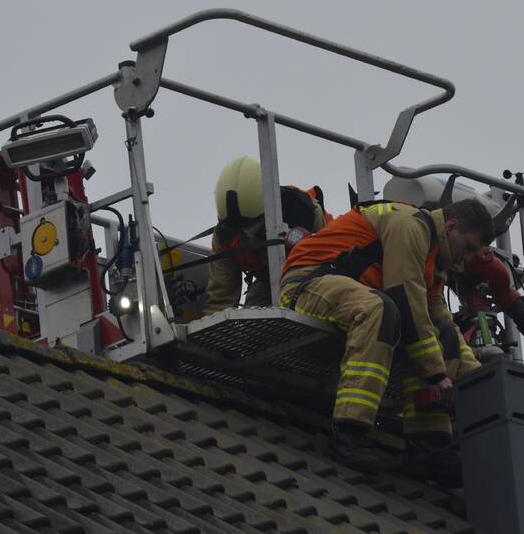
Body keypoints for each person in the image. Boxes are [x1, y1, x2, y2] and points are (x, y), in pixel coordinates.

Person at [278, 197, 496, 485]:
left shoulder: (434, 257)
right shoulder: (411, 226)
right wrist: (437, 374)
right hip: (309, 283)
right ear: (452, 226)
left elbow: (441, 325)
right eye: (467, 247)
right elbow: (404, 297)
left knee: (440, 333)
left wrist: (481, 386)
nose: (467, 258)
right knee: (381, 310)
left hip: (355, 294)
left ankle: (427, 448)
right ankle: (349, 434)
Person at [202, 156, 330, 315]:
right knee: (255, 305)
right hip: (269, 279)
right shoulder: (225, 235)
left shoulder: (303, 211)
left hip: (314, 275)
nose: (245, 234)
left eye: (249, 226)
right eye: (238, 228)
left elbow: (327, 262)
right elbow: (221, 299)